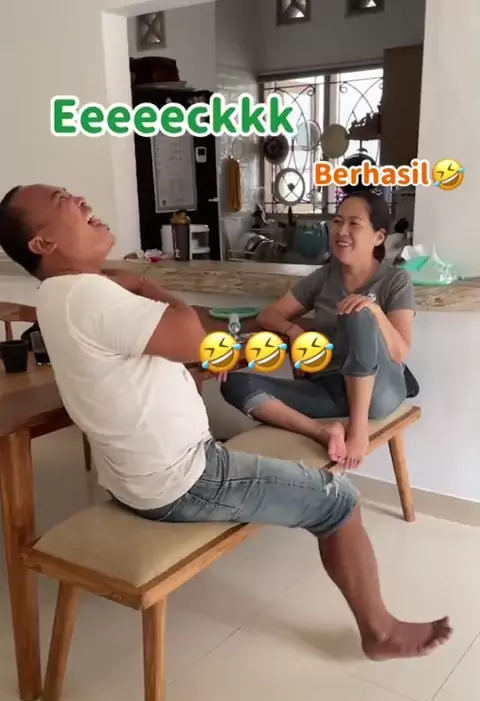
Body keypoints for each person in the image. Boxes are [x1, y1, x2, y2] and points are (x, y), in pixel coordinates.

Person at [0, 184, 451, 660]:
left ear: (379, 236)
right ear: (42, 243)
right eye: (62, 201)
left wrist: (189, 364)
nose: (81, 201)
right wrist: (147, 287)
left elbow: (160, 355)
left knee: (275, 354)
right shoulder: (91, 293)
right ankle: (380, 632)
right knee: (338, 500)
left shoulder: (59, 295)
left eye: (353, 223)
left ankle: (342, 430)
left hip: (145, 475)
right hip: (184, 478)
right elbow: (194, 336)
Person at [222, 192, 416, 470]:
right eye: (337, 221)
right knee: (233, 383)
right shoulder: (325, 276)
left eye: (354, 223)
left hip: (379, 392)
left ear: (379, 237)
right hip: (328, 389)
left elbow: (399, 352)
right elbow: (269, 315)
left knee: (356, 312)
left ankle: (357, 429)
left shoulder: (395, 280)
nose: (342, 231)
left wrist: (372, 310)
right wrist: (293, 331)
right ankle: (322, 432)